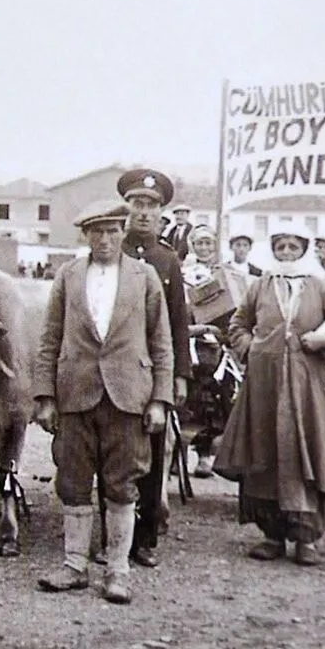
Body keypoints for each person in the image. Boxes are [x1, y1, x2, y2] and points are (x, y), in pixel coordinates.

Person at [33, 200, 173, 604]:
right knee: (73, 483)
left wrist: (160, 399)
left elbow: (161, 343)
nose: (105, 240)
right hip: (76, 395)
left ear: (123, 233)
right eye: (97, 232)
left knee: (122, 485)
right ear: (86, 236)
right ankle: (74, 566)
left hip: (128, 396)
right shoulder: (69, 275)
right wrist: (45, 396)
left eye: (113, 232)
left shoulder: (144, 277)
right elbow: (49, 339)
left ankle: (118, 570)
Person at [213, 222, 325, 565]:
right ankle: (272, 534)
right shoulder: (261, 285)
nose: (287, 253)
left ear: (304, 249)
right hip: (265, 383)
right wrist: (251, 349)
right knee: (266, 450)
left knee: (306, 451)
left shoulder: (320, 287)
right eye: (280, 247)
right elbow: (237, 325)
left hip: (306, 384)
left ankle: (306, 537)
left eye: (293, 247)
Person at [114, 169, 191, 569]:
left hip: (151, 370)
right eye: (137, 204)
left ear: (162, 212)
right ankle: (111, 538)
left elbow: (178, 321)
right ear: (126, 208)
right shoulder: (111, 251)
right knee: (111, 454)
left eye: (152, 206)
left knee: (150, 452)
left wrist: (178, 376)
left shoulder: (167, 259)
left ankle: (142, 539)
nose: (143, 212)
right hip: (114, 368)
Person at [180, 225, 240, 479]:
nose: (204, 248)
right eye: (200, 244)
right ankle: (178, 453)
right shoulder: (183, 273)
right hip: (192, 343)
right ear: (192, 246)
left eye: (208, 244)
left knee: (213, 403)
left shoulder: (225, 274)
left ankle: (204, 456)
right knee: (187, 401)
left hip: (217, 346)